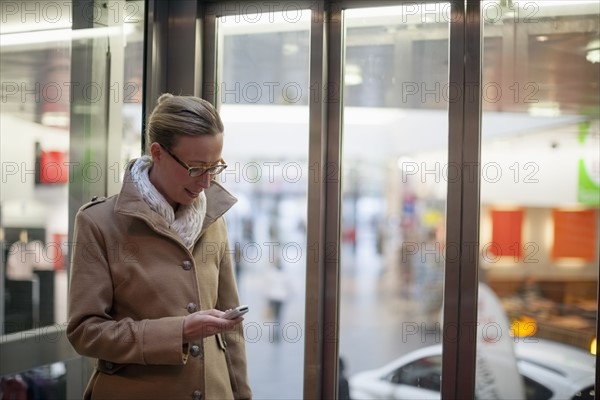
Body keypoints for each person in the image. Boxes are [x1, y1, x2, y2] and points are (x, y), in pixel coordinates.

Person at [67, 94, 252, 400]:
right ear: (158, 153)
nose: (207, 182)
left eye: (215, 167)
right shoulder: (99, 223)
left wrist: (242, 395)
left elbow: (230, 329)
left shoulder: (213, 218)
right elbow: (85, 332)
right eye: (195, 168)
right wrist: (178, 331)